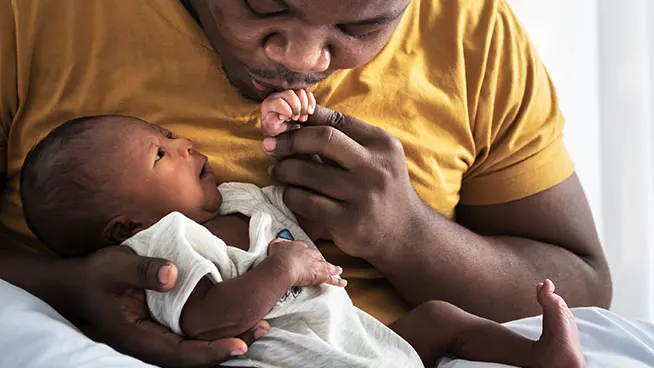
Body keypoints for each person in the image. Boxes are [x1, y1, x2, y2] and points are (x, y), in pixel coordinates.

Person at [0, 0, 611, 366]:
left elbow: (584, 287)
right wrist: (71, 286)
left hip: (385, 343)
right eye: (264, 6)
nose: (301, 58)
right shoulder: (33, 17)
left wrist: (408, 234)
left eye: (363, 25)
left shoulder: (474, 31)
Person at [19, 108, 585, 368]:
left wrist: (298, 139)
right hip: (297, 356)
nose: (186, 143)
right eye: (161, 153)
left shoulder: (237, 198)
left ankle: (539, 357)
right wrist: (281, 271)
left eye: (170, 133)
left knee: (439, 317)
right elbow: (207, 321)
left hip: (361, 336)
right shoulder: (160, 245)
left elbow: (310, 217)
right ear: (125, 225)